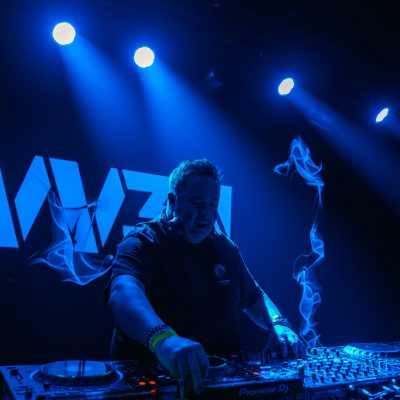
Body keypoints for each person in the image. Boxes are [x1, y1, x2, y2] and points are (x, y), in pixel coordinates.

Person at [106, 159, 305, 395]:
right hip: (157, 388)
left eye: (213, 205)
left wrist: (278, 324)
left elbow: (253, 296)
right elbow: (123, 292)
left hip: (221, 385)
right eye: (198, 204)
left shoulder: (224, 247)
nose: (206, 214)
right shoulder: (143, 242)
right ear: (172, 201)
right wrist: (163, 339)